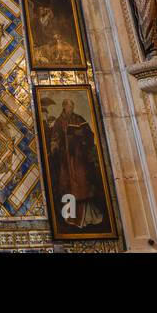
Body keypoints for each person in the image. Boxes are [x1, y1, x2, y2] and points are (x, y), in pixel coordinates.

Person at [45, 98, 106, 229]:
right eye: (69, 106)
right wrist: (55, 147)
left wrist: (80, 136)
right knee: (68, 186)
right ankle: (70, 216)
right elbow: (54, 138)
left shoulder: (78, 118)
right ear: (64, 107)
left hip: (79, 159)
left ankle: (88, 215)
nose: (71, 109)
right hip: (66, 160)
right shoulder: (59, 122)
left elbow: (90, 134)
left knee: (83, 185)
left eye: (72, 106)